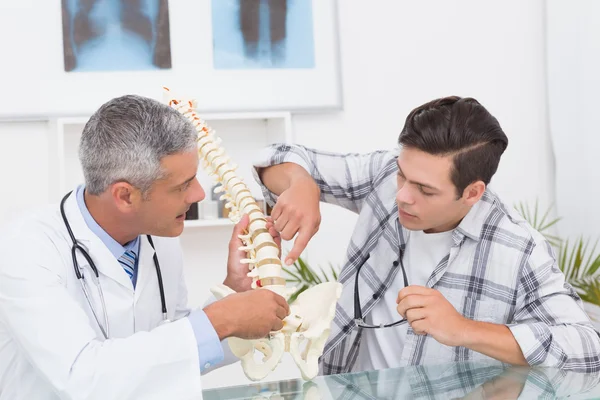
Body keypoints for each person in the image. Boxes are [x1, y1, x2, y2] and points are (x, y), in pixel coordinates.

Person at [253, 96, 600, 374]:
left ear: (472, 193)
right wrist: (302, 184)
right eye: (403, 176)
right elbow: (275, 157)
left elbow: (587, 347)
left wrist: (463, 329)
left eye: (425, 190)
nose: (402, 195)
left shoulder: (518, 249)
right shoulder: (386, 174)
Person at [0, 95, 289, 399]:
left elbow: (171, 356)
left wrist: (236, 292)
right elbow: (81, 377)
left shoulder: (158, 237)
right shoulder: (26, 250)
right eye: (182, 185)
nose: (200, 193)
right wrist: (222, 319)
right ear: (125, 196)